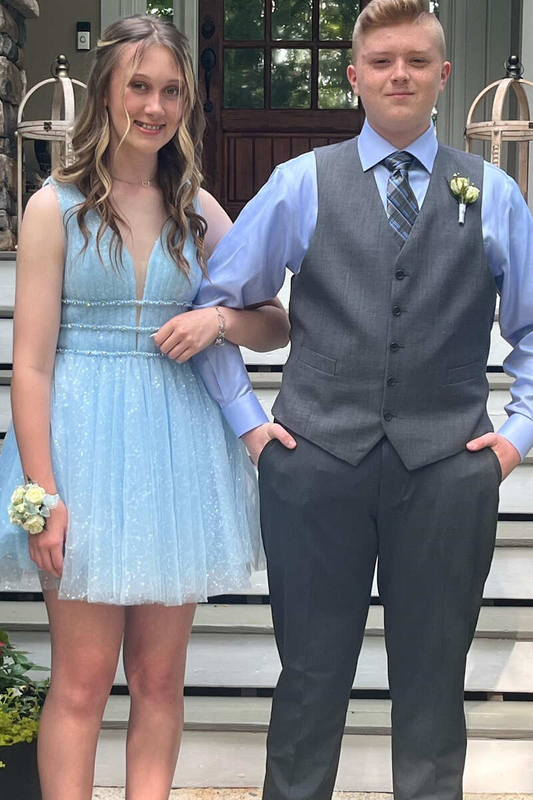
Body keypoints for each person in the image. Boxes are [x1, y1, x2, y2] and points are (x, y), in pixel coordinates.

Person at [188, 1, 533, 798]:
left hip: (448, 469)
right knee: (308, 685)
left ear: (443, 75)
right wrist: (250, 427)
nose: (398, 74)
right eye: (381, 61)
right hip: (313, 466)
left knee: (433, 692)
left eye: (415, 60)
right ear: (354, 76)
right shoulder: (298, 184)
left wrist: (515, 438)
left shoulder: (493, 194)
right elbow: (215, 306)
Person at [0, 14, 290, 800]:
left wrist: (218, 320)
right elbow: (31, 366)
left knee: (160, 679)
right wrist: (43, 494)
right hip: (81, 451)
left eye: (170, 90)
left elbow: (275, 322)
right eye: (138, 86)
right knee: (83, 679)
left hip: (175, 452)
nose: (155, 106)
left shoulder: (195, 208)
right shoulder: (54, 208)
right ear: (106, 91)